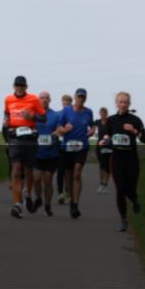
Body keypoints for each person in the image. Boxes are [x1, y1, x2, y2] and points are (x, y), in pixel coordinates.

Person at [99, 92, 145, 231]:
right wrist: (104, 140)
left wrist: (134, 130)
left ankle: (134, 200)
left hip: (131, 158)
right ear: (116, 103)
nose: (123, 104)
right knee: (120, 189)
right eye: (121, 102)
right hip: (117, 159)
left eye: (126, 102)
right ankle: (123, 219)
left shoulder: (135, 120)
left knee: (130, 188)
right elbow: (107, 135)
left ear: (129, 104)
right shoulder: (111, 120)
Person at [3, 75, 46, 219]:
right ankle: (17, 204)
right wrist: (6, 121)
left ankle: (27, 191)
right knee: (16, 170)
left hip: (30, 139)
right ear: (14, 86)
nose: (19, 88)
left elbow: (43, 118)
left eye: (22, 86)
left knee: (28, 170)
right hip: (15, 138)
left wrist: (32, 117)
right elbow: (6, 114)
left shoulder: (33, 99)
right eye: (17, 85)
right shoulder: (8, 99)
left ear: (26, 87)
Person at [53, 88, 95, 219]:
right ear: (75, 97)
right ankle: (71, 199)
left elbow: (92, 126)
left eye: (83, 97)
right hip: (67, 147)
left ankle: (75, 203)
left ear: (85, 98)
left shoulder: (88, 112)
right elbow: (59, 127)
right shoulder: (66, 110)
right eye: (79, 97)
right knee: (69, 175)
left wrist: (92, 131)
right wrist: (64, 129)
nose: (80, 99)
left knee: (77, 173)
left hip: (82, 146)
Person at [31, 91, 59, 216]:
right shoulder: (34, 114)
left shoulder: (55, 115)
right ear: (38, 100)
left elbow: (59, 129)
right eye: (41, 98)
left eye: (46, 97)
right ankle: (39, 198)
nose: (44, 99)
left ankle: (48, 205)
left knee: (47, 181)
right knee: (36, 179)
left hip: (51, 153)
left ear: (50, 99)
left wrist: (57, 132)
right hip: (37, 153)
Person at [56, 93, 72, 204]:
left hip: (70, 145)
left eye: (68, 102)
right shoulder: (57, 114)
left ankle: (68, 191)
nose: (66, 103)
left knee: (69, 171)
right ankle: (60, 192)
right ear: (62, 102)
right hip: (59, 145)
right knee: (60, 170)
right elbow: (54, 128)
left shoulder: (73, 115)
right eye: (64, 101)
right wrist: (59, 132)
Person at [94, 106, 113, 193]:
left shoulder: (110, 122)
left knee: (107, 166)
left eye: (104, 114)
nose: (103, 115)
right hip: (100, 146)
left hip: (109, 147)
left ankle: (106, 185)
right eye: (101, 114)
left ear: (106, 114)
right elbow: (93, 131)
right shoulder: (97, 122)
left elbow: (113, 133)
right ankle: (101, 183)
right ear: (100, 114)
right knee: (102, 165)